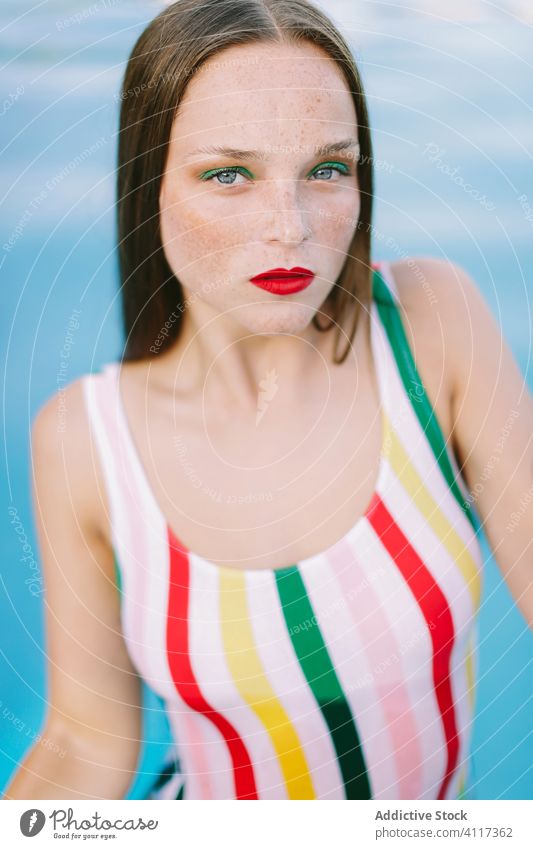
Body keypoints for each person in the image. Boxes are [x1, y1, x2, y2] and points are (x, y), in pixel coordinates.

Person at [6, 0, 533, 801]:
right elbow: (86, 738)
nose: (288, 227)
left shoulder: (431, 324)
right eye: (229, 174)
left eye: (327, 168)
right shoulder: (84, 438)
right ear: (148, 183)